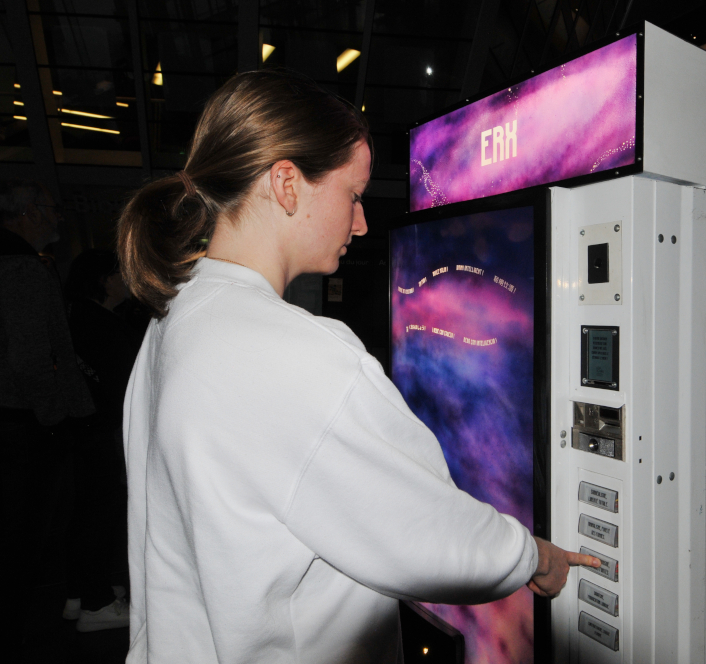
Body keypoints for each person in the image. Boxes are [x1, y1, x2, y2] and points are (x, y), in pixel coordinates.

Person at [117, 70, 597, 663]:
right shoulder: (300, 354)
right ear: (287, 184)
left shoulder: (173, 320)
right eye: (353, 194)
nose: (362, 222)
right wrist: (534, 557)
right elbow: (426, 529)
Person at [0, 180, 95, 659]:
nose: (58, 216)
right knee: (21, 541)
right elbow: (32, 359)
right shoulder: (21, 270)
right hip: (21, 428)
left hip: (16, 422)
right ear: (28, 212)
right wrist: (56, 420)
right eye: (52, 208)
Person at [63, 249, 142, 631]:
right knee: (100, 513)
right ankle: (96, 604)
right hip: (102, 430)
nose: (127, 279)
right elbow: (123, 385)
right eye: (120, 273)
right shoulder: (101, 325)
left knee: (86, 512)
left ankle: (81, 593)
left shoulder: (79, 316)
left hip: (84, 429)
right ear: (104, 281)